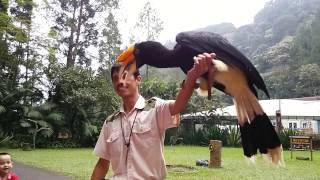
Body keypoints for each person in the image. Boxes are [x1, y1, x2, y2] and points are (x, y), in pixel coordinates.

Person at [91, 52, 216, 180]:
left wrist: (192, 77)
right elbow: (102, 163)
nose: (119, 82)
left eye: (124, 76)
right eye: (115, 79)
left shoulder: (153, 107)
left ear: (138, 79)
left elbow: (178, 105)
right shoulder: (110, 122)